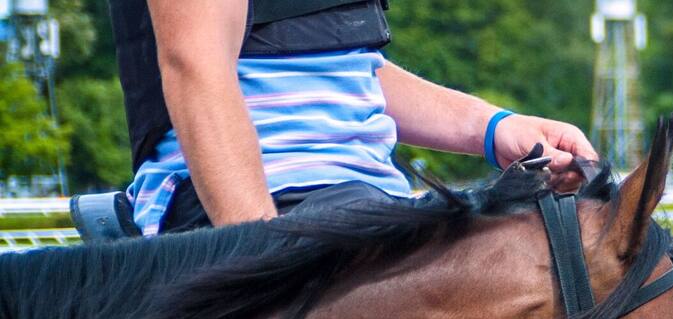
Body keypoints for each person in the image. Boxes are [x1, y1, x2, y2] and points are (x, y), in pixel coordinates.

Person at [106, 0, 595, 236]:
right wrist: (263, 252)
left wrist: (494, 128)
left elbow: (347, 72)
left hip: (363, 201)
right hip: (256, 207)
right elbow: (196, 63)